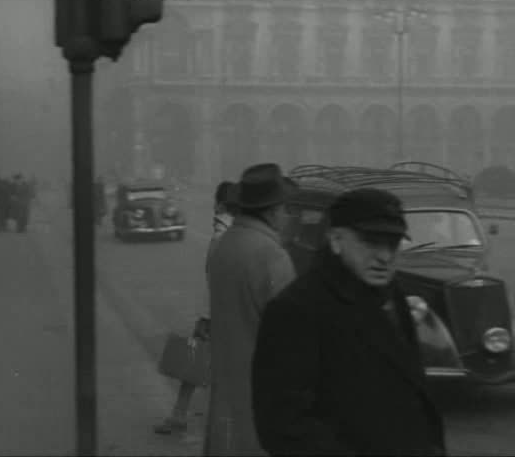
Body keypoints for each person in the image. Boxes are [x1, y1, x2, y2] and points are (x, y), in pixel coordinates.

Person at [251, 188, 446, 456]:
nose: (385, 256)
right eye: (371, 242)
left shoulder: (392, 293)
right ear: (336, 240)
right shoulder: (295, 310)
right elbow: (282, 424)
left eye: (392, 243)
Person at [203, 163, 297, 456]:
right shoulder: (271, 257)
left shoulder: (224, 244)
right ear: (270, 212)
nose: (287, 216)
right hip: (261, 400)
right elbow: (290, 336)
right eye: (284, 209)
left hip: (226, 393)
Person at [154, 180, 239, 437]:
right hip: (229, 312)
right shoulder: (237, 232)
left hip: (215, 314)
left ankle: (181, 416)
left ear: (222, 204)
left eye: (216, 202)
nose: (213, 208)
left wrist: (204, 317)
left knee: (194, 367)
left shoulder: (220, 235)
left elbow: (213, 279)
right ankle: (182, 415)